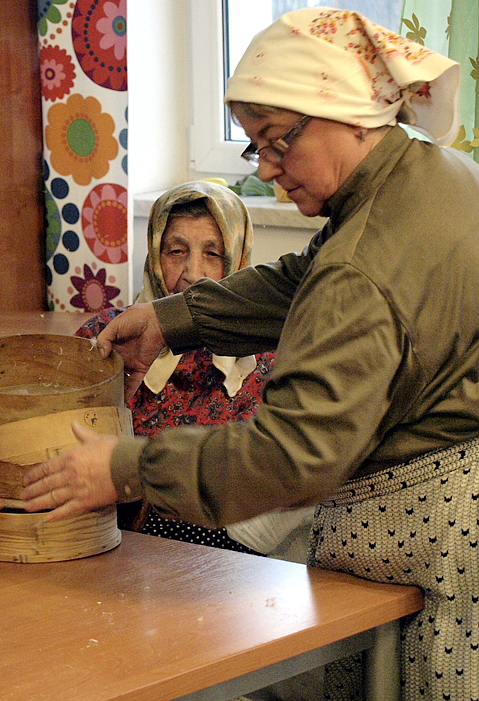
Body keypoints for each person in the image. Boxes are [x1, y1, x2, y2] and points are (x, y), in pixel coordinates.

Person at [22, 7, 478, 699]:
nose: (266, 169)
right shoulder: (431, 177)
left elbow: (293, 455)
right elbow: (302, 282)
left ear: (352, 115)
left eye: (279, 141)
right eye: (253, 147)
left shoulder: (364, 266)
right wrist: (172, 320)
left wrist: (126, 467)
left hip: (432, 540)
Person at [75, 181, 312, 560]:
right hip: (111, 549)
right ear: (155, 254)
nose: (192, 274)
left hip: (231, 565)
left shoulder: (269, 358)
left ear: (238, 262)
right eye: (176, 251)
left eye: (213, 254)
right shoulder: (110, 337)